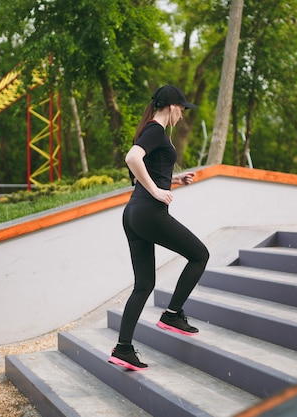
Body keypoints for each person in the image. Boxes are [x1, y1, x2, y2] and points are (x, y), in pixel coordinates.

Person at [108, 85, 210, 371]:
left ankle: (123, 348)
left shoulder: (151, 132)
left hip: (133, 214)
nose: (183, 116)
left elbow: (148, 167)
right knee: (200, 255)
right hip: (149, 212)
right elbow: (132, 159)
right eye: (182, 109)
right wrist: (155, 191)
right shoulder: (155, 130)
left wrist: (174, 180)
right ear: (170, 106)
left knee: (144, 285)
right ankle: (172, 314)